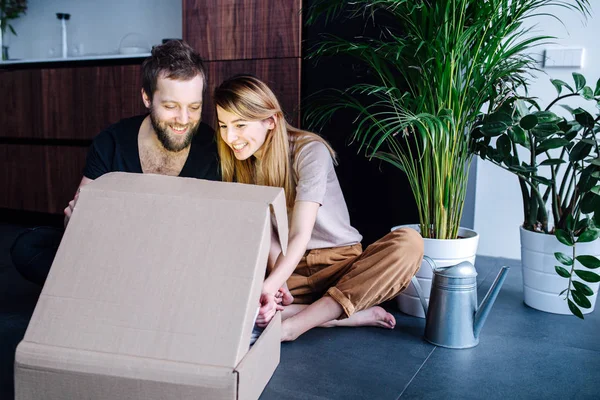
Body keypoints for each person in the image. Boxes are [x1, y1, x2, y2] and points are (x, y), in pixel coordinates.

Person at [214, 75, 424, 342]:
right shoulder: (240, 165)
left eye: (240, 124)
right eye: (223, 125)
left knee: (409, 243)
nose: (230, 137)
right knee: (219, 300)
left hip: (340, 263)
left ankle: (292, 326)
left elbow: (301, 232)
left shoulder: (310, 150)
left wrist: (269, 285)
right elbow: (268, 235)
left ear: (271, 120)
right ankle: (342, 316)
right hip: (292, 270)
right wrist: (280, 284)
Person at [11, 40, 220, 286]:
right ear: (146, 97)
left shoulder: (213, 148)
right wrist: (75, 219)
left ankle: (111, 287)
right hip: (115, 251)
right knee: (28, 246)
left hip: (179, 255)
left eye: (194, 107)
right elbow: (80, 220)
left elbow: (214, 233)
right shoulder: (112, 141)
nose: (183, 120)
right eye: (171, 106)